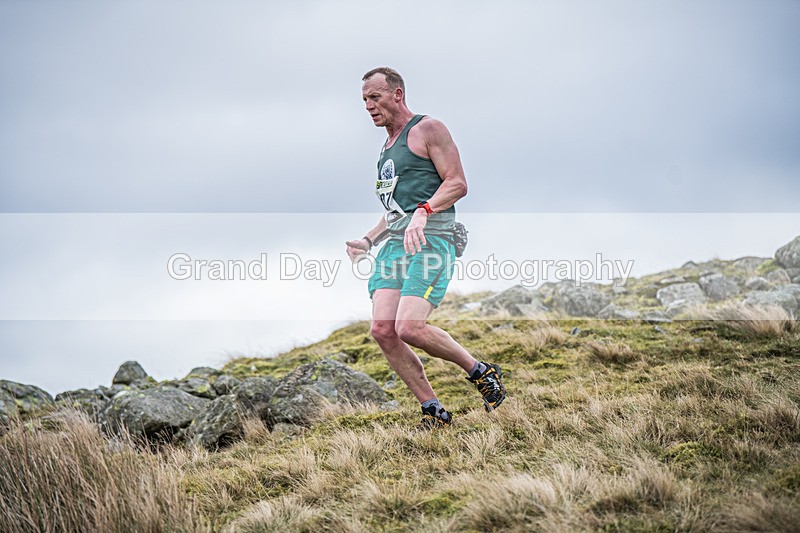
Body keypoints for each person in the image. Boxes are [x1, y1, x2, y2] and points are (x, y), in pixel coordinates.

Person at [346, 67, 506, 430]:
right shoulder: (386, 149)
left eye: (375, 97)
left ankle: (480, 372)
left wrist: (425, 211)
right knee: (383, 330)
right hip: (395, 247)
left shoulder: (428, 129)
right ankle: (433, 411)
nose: (369, 105)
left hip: (432, 241)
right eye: (365, 100)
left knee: (410, 327)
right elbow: (396, 210)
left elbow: (457, 183)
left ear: (397, 94)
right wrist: (368, 240)